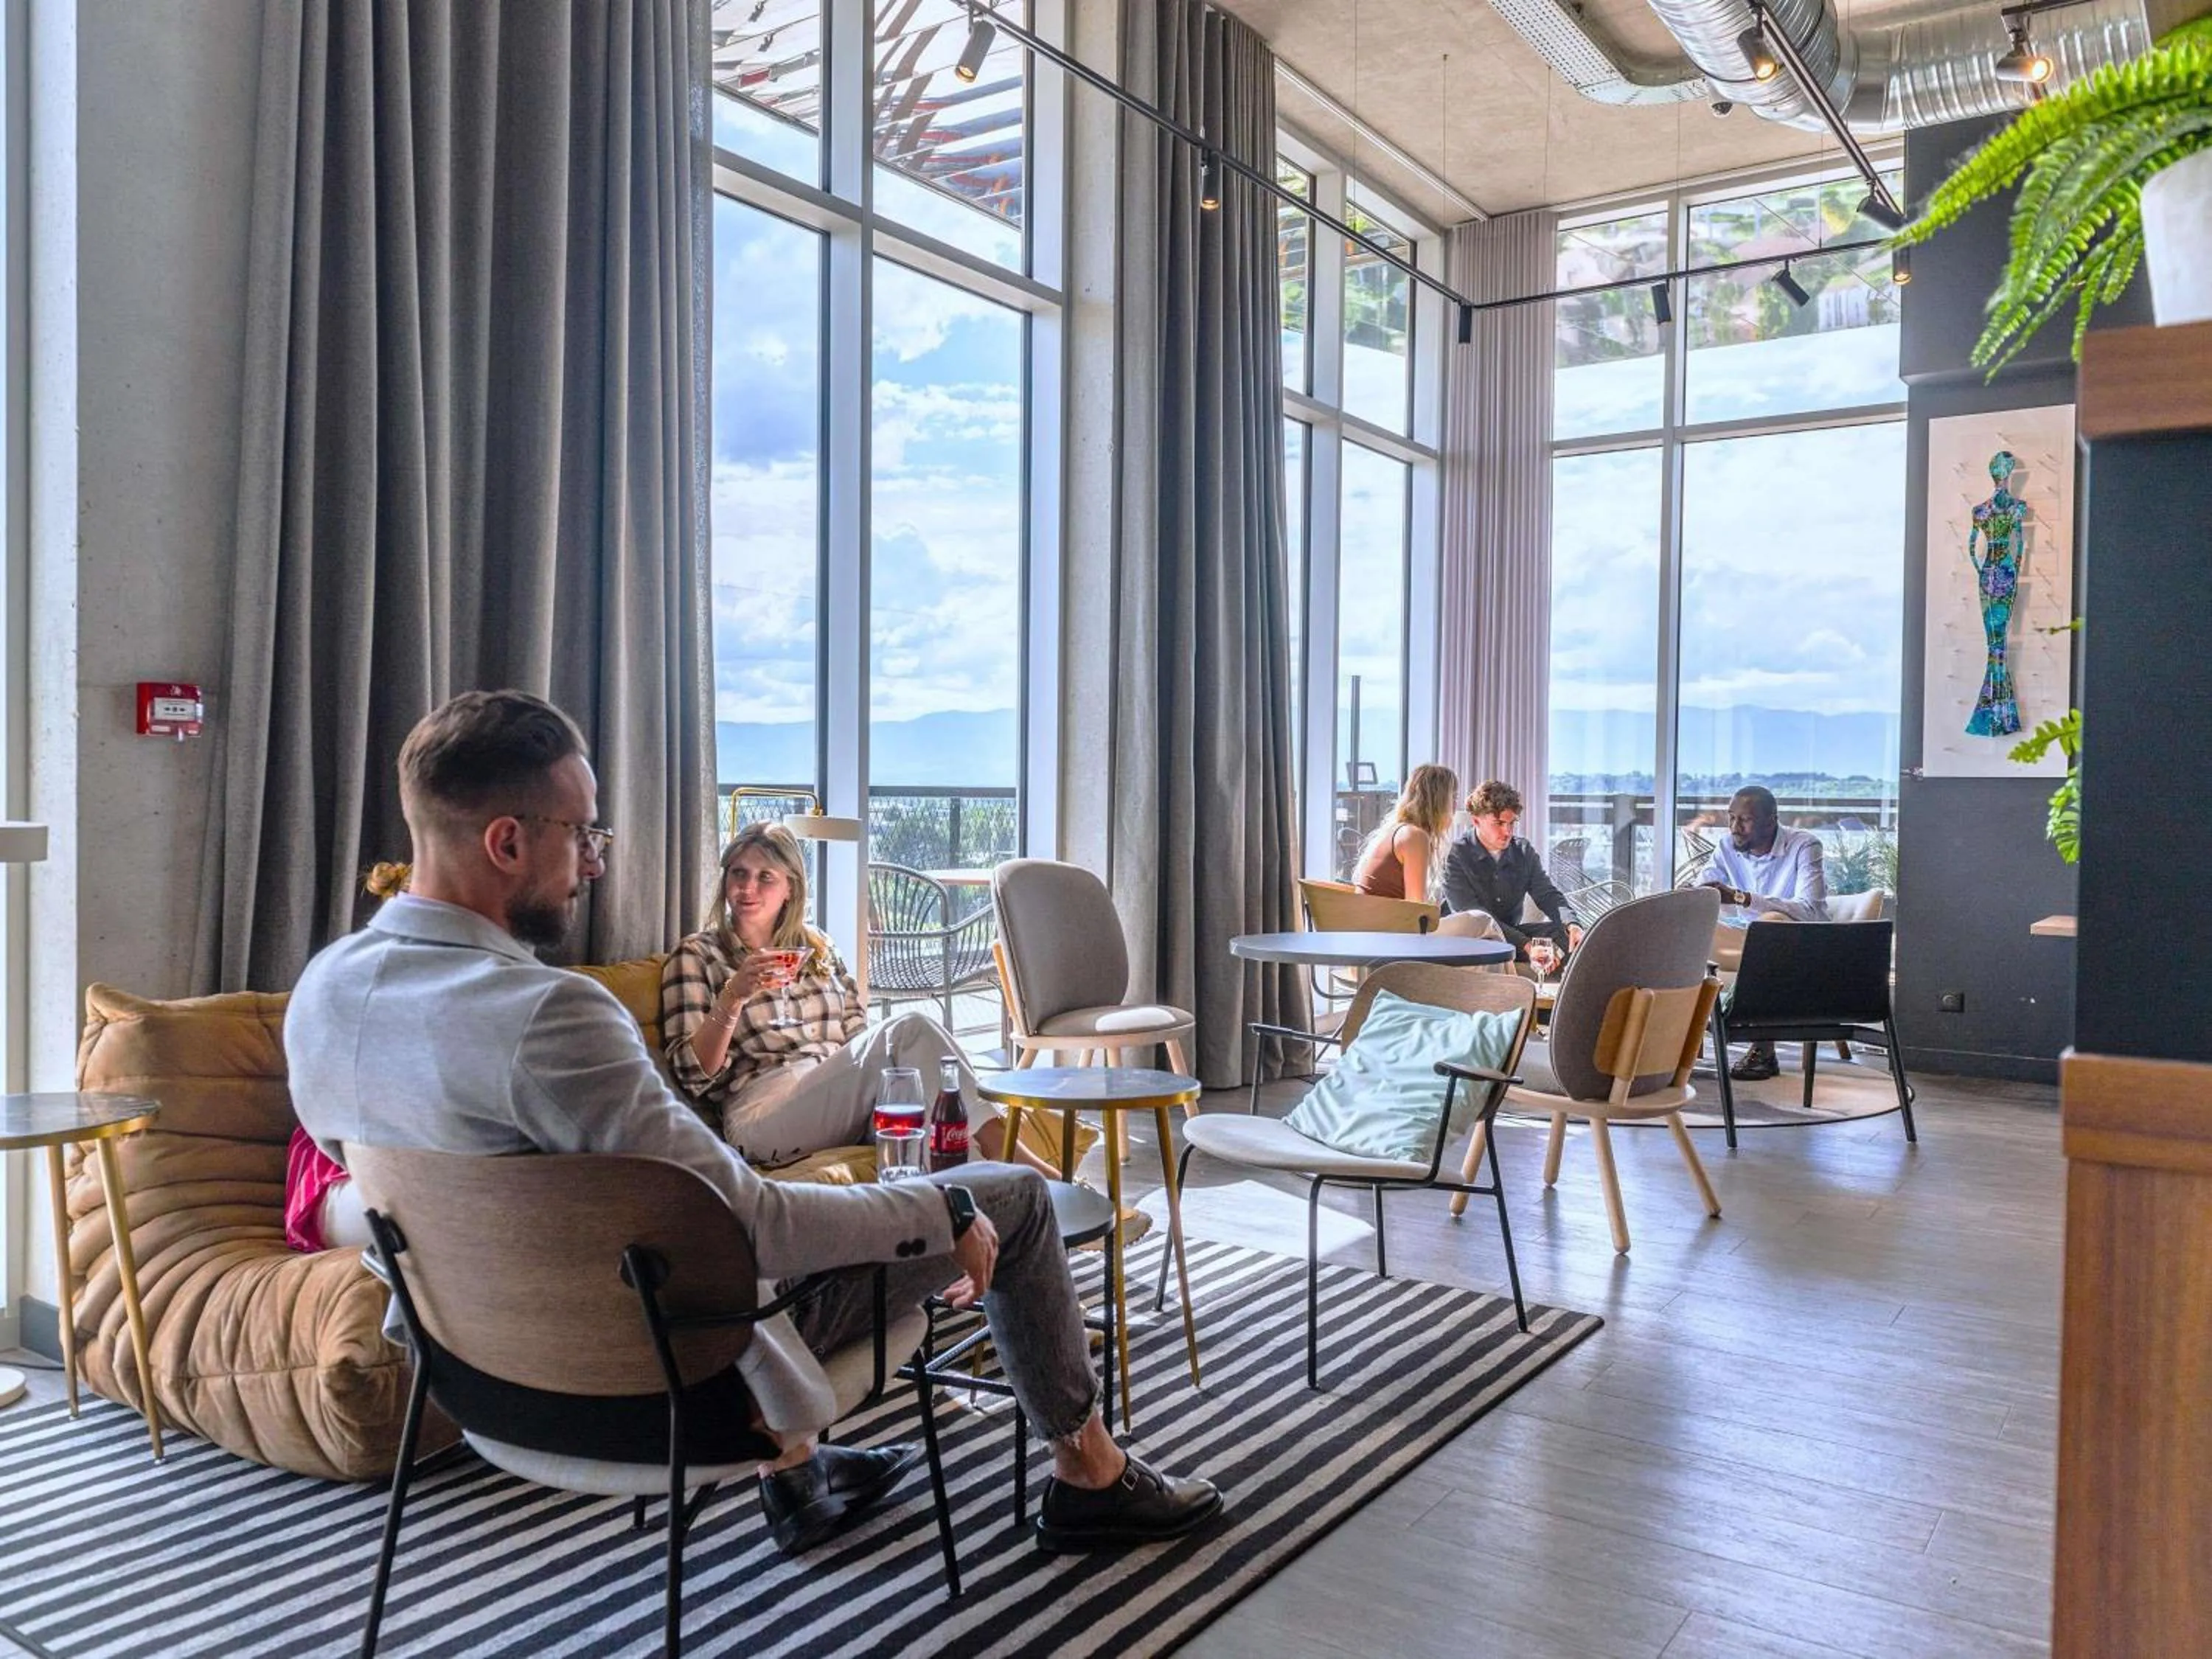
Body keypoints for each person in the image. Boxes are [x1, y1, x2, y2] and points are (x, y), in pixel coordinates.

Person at [285, 689, 1220, 1557]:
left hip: (485, 1385)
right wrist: (947, 1217)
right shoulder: (550, 1016)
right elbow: (757, 1226)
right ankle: (1090, 1475)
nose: (597, 861)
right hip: (668, 1388)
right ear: (505, 843)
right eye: (584, 833)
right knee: (1009, 1198)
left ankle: (808, 1477)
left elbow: (371, 1208)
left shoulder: (323, 996)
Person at [660, 823, 1085, 1178]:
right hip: (763, 1115)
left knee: (937, 1133)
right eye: (738, 874)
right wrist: (734, 997)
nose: (747, 887)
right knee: (911, 1028)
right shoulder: (699, 956)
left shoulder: (818, 948)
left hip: (838, 1096)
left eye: (764, 876)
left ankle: (1022, 1221)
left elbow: (857, 1037)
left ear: (789, 888)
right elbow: (693, 1076)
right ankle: (1029, 1167)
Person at [1700, 784, 1829, 1081]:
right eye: (1731, 818)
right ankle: (1671, 1039)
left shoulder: (1805, 846)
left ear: (1771, 820)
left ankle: (1763, 1050)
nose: (1735, 828)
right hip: (1744, 940)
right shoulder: (1726, 846)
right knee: (1689, 922)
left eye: (1744, 820)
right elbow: (1704, 886)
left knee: (1769, 923)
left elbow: (1810, 910)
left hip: (1796, 944)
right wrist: (1694, 896)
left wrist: (1743, 898)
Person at [1441, 780, 1584, 962]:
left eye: (1511, 823)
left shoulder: (1523, 851)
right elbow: (1476, 917)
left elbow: (1547, 895)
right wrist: (1527, 945)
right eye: (1499, 823)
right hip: (1470, 939)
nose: (1507, 832)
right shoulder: (1456, 855)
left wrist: (1572, 924)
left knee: (1569, 938)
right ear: (1476, 820)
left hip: (1509, 936)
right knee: (1486, 930)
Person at [1352, 764, 1457, 901]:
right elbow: (1415, 905)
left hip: (1373, 917)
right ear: (1440, 801)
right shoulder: (1414, 836)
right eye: (1453, 797)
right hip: (1385, 920)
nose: (1455, 805)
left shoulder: (1398, 831)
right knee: (1479, 918)